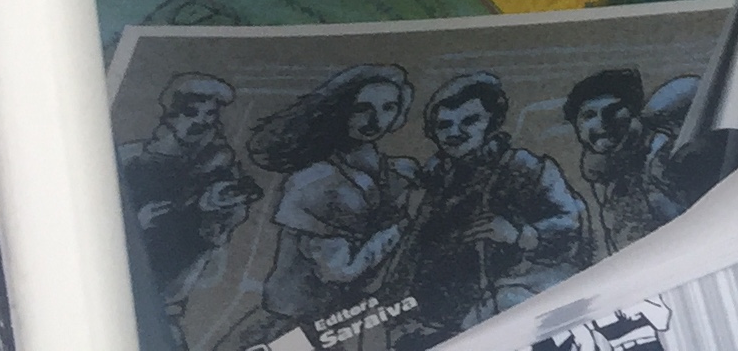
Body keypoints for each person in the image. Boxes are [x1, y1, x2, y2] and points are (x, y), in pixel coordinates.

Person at [226, 65, 418, 349]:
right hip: (298, 324)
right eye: (361, 109)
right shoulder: (315, 181)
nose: (375, 120)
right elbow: (340, 270)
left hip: (352, 318)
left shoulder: (394, 171)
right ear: (340, 111)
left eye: (388, 107)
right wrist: (400, 227)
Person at [391, 74, 586, 341]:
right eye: (444, 125)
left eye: (469, 121)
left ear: (491, 122)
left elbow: (569, 222)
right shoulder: (432, 181)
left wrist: (519, 235)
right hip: (436, 321)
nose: (455, 133)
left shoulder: (524, 167)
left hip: (511, 308)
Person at [120, 74, 257, 351]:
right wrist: (136, 225)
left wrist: (213, 207)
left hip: (175, 280)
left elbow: (225, 226)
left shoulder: (221, 164)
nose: (200, 121)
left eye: (210, 114)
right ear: (171, 114)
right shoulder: (130, 158)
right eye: (191, 112)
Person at [563, 70, 689, 259]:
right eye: (589, 115)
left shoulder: (662, 156)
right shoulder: (606, 170)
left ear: (634, 114)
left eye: (612, 111)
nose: (602, 122)